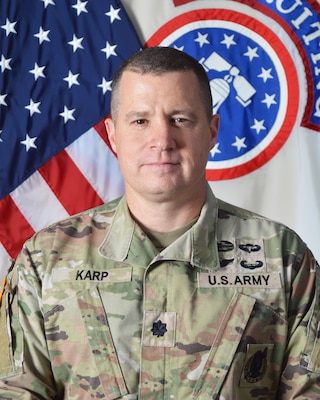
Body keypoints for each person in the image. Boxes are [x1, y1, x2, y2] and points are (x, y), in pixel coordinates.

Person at [0, 46, 319, 399]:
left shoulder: (282, 256)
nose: (162, 141)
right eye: (140, 121)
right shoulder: (45, 260)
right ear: (113, 136)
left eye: (180, 119)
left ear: (212, 131)